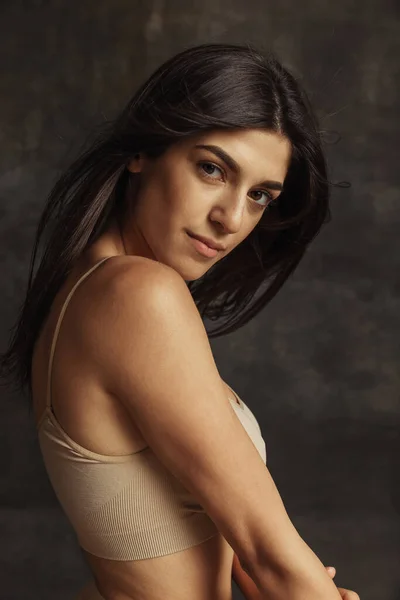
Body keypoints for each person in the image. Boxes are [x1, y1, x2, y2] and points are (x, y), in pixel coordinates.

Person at [0, 43, 359, 600]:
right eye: (212, 169)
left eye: (260, 195)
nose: (232, 218)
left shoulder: (89, 289)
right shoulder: (139, 295)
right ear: (145, 150)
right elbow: (270, 556)